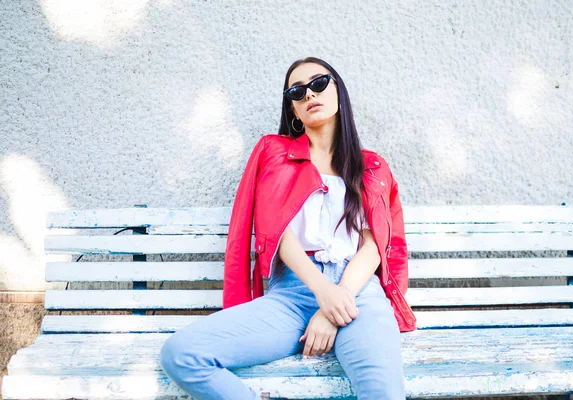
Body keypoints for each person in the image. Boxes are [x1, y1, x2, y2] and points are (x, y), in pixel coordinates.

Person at [159, 57, 417, 400]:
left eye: (319, 83)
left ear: (339, 91)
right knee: (182, 354)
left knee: (383, 393)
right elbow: (276, 232)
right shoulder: (274, 152)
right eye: (298, 91)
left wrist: (335, 305)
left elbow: (374, 244)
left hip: (358, 295)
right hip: (293, 296)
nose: (310, 93)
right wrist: (323, 294)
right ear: (294, 110)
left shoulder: (371, 166)